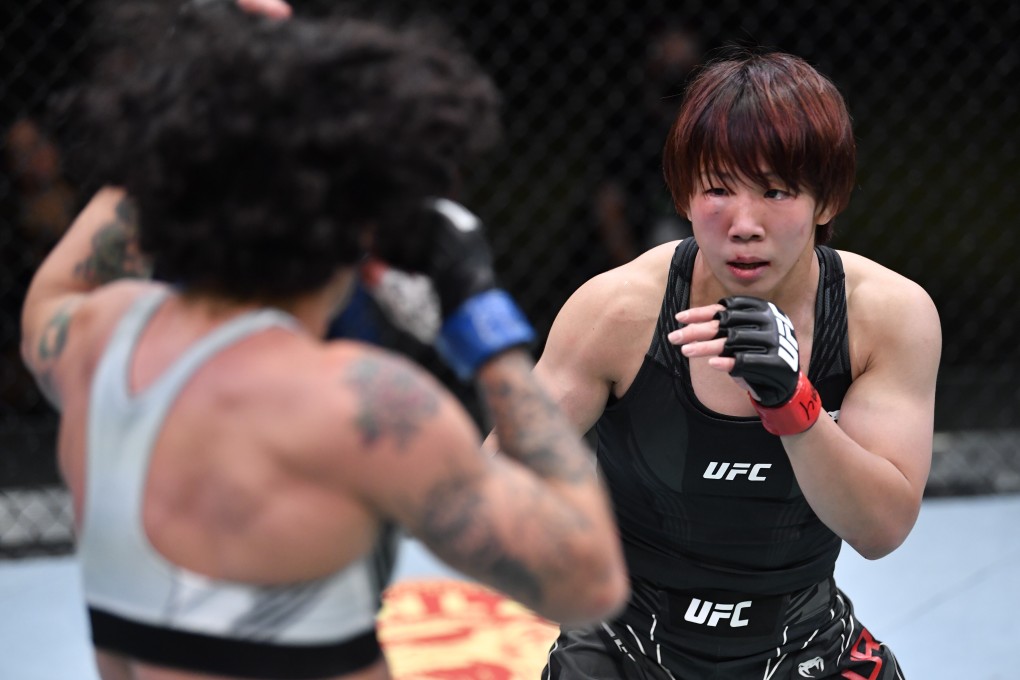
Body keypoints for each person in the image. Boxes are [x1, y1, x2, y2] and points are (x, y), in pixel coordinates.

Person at [18, 3, 629, 679]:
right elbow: (589, 578)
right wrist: (482, 321)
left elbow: (58, 289)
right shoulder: (360, 406)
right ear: (368, 232)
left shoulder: (95, 343)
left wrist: (208, 93)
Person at [518, 49, 941, 678]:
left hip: (802, 644)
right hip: (627, 645)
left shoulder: (885, 317)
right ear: (685, 195)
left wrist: (794, 406)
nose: (744, 224)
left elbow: (880, 531)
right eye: (718, 189)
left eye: (775, 191)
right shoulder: (619, 312)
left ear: (826, 202)